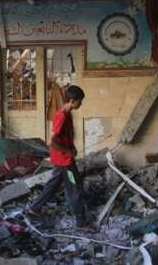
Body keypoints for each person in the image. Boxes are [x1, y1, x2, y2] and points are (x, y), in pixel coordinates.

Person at [27, 85, 94, 230]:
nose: (81, 104)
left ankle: (34, 208)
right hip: (65, 162)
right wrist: (68, 151)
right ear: (72, 101)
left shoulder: (67, 114)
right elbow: (51, 141)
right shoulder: (62, 116)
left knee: (53, 185)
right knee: (75, 189)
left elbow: (64, 138)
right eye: (80, 101)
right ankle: (81, 223)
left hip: (61, 160)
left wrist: (71, 147)